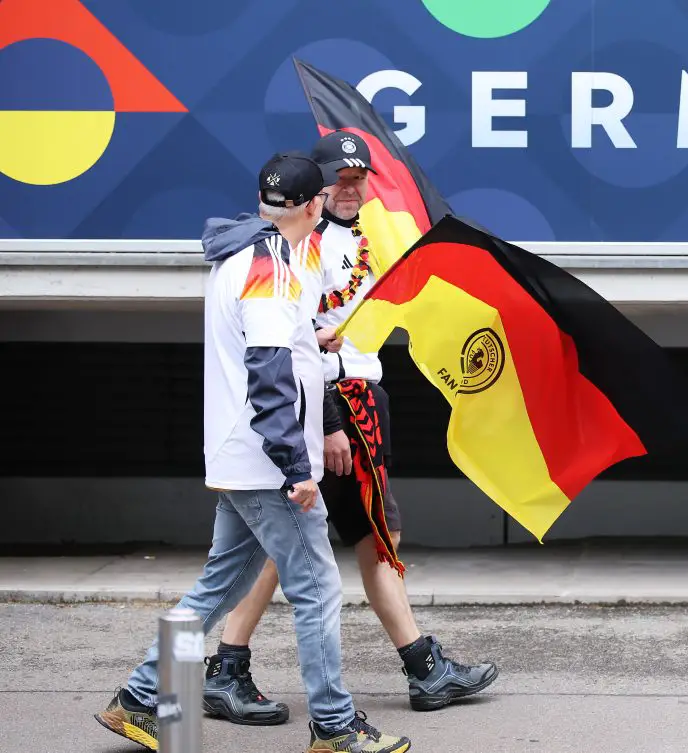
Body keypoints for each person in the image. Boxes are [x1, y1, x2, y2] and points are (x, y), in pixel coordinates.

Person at [95, 151, 411, 753]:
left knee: (217, 586)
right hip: (271, 464)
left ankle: (140, 700)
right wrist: (298, 467)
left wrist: (308, 338)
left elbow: (267, 347)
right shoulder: (275, 267)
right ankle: (336, 727)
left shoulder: (241, 256)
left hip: (238, 456)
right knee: (317, 588)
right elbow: (267, 372)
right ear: (314, 205)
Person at [200, 130, 498, 726]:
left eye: (358, 178)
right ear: (310, 196)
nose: (347, 188)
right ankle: (332, 715)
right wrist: (327, 423)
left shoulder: (301, 248)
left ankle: (171, 690)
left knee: (266, 563)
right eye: (336, 179)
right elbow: (280, 360)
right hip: (313, 419)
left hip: (288, 427)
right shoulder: (286, 258)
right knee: (315, 565)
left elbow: (288, 354)